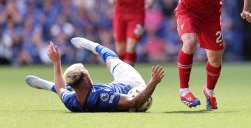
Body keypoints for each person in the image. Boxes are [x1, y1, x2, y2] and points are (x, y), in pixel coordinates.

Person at [130, 0, 251, 110]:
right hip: (187, 12)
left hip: (211, 18)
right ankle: (184, 91)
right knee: (190, 42)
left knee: (216, 59)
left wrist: (246, 9)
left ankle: (209, 92)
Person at [25, 37, 164, 112]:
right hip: (130, 84)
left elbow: (61, 88)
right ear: (85, 79)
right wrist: (153, 82)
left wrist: (56, 62)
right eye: (87, 73)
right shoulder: (101, 96)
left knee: (59, 89)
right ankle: (92, 45)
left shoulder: (71, 102)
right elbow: (134, 102)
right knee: (112, 60)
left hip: (104, 88)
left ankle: (47, 85)